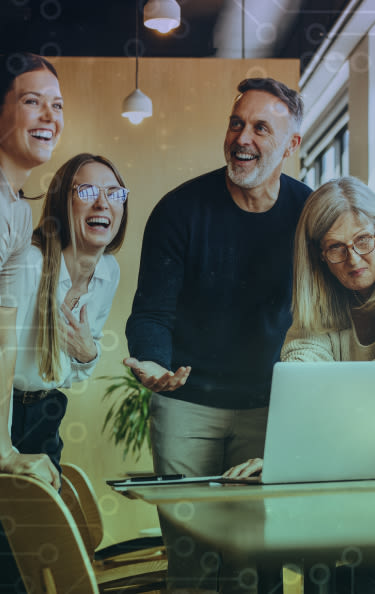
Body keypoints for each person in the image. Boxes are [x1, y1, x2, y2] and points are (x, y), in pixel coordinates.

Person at [125, 77, 312, 591]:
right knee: (191, 561)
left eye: (260, 127)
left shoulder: (309, 215)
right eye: (236, 123)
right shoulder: (179, 210)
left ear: (291, 145)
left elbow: (325, 314)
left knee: (258, 562)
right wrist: (153, 362)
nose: (242, 138)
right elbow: (151, 313)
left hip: (270, 408)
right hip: (186, 404)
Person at [11, 152, 128, 475]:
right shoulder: (29, 266)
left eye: (114, 193)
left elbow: (71, 372)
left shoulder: (108, 270)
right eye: (87, 192)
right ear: (63, 202)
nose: (103, 203)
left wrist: (87, 354)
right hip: (5, 410)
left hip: (46, 411)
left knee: (44, 524)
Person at [0, 52, 63, 488]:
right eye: (31, 101)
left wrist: (3, 447)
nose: (49, 116)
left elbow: (2, 337)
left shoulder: (18, 212)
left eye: (57, 105)